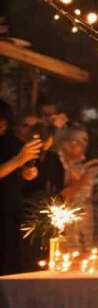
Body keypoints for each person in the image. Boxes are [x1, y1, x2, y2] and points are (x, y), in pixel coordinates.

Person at [57, 126, 98, 256]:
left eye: (85, 141)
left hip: (88, 217)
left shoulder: (82, 165)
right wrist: (86, 178)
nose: (82, 145)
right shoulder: (62, 165)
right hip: (70, 218)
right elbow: (64, 194)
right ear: (65, 142)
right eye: (77, 141)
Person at [0, 101, 42, 274]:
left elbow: (24, 170)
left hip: (10, 211)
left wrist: (29, 170)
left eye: (4, 121)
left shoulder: (9, 141)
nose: (1, 125)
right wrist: (17, 161)